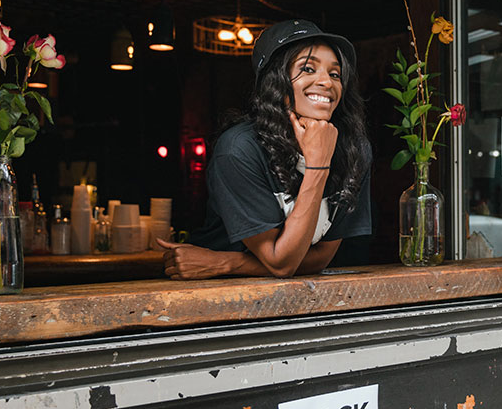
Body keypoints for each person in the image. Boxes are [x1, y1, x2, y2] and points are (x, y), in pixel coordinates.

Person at [157, 20, 372, 279]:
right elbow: (281, 263)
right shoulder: (239, 150)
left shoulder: (353, 149)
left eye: (335, 73)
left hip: (283, 291)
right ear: (276, 82)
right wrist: (318, 167)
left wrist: (225, 263)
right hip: (214, 293)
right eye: (308, 68)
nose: (326, 82)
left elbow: (320, 257)